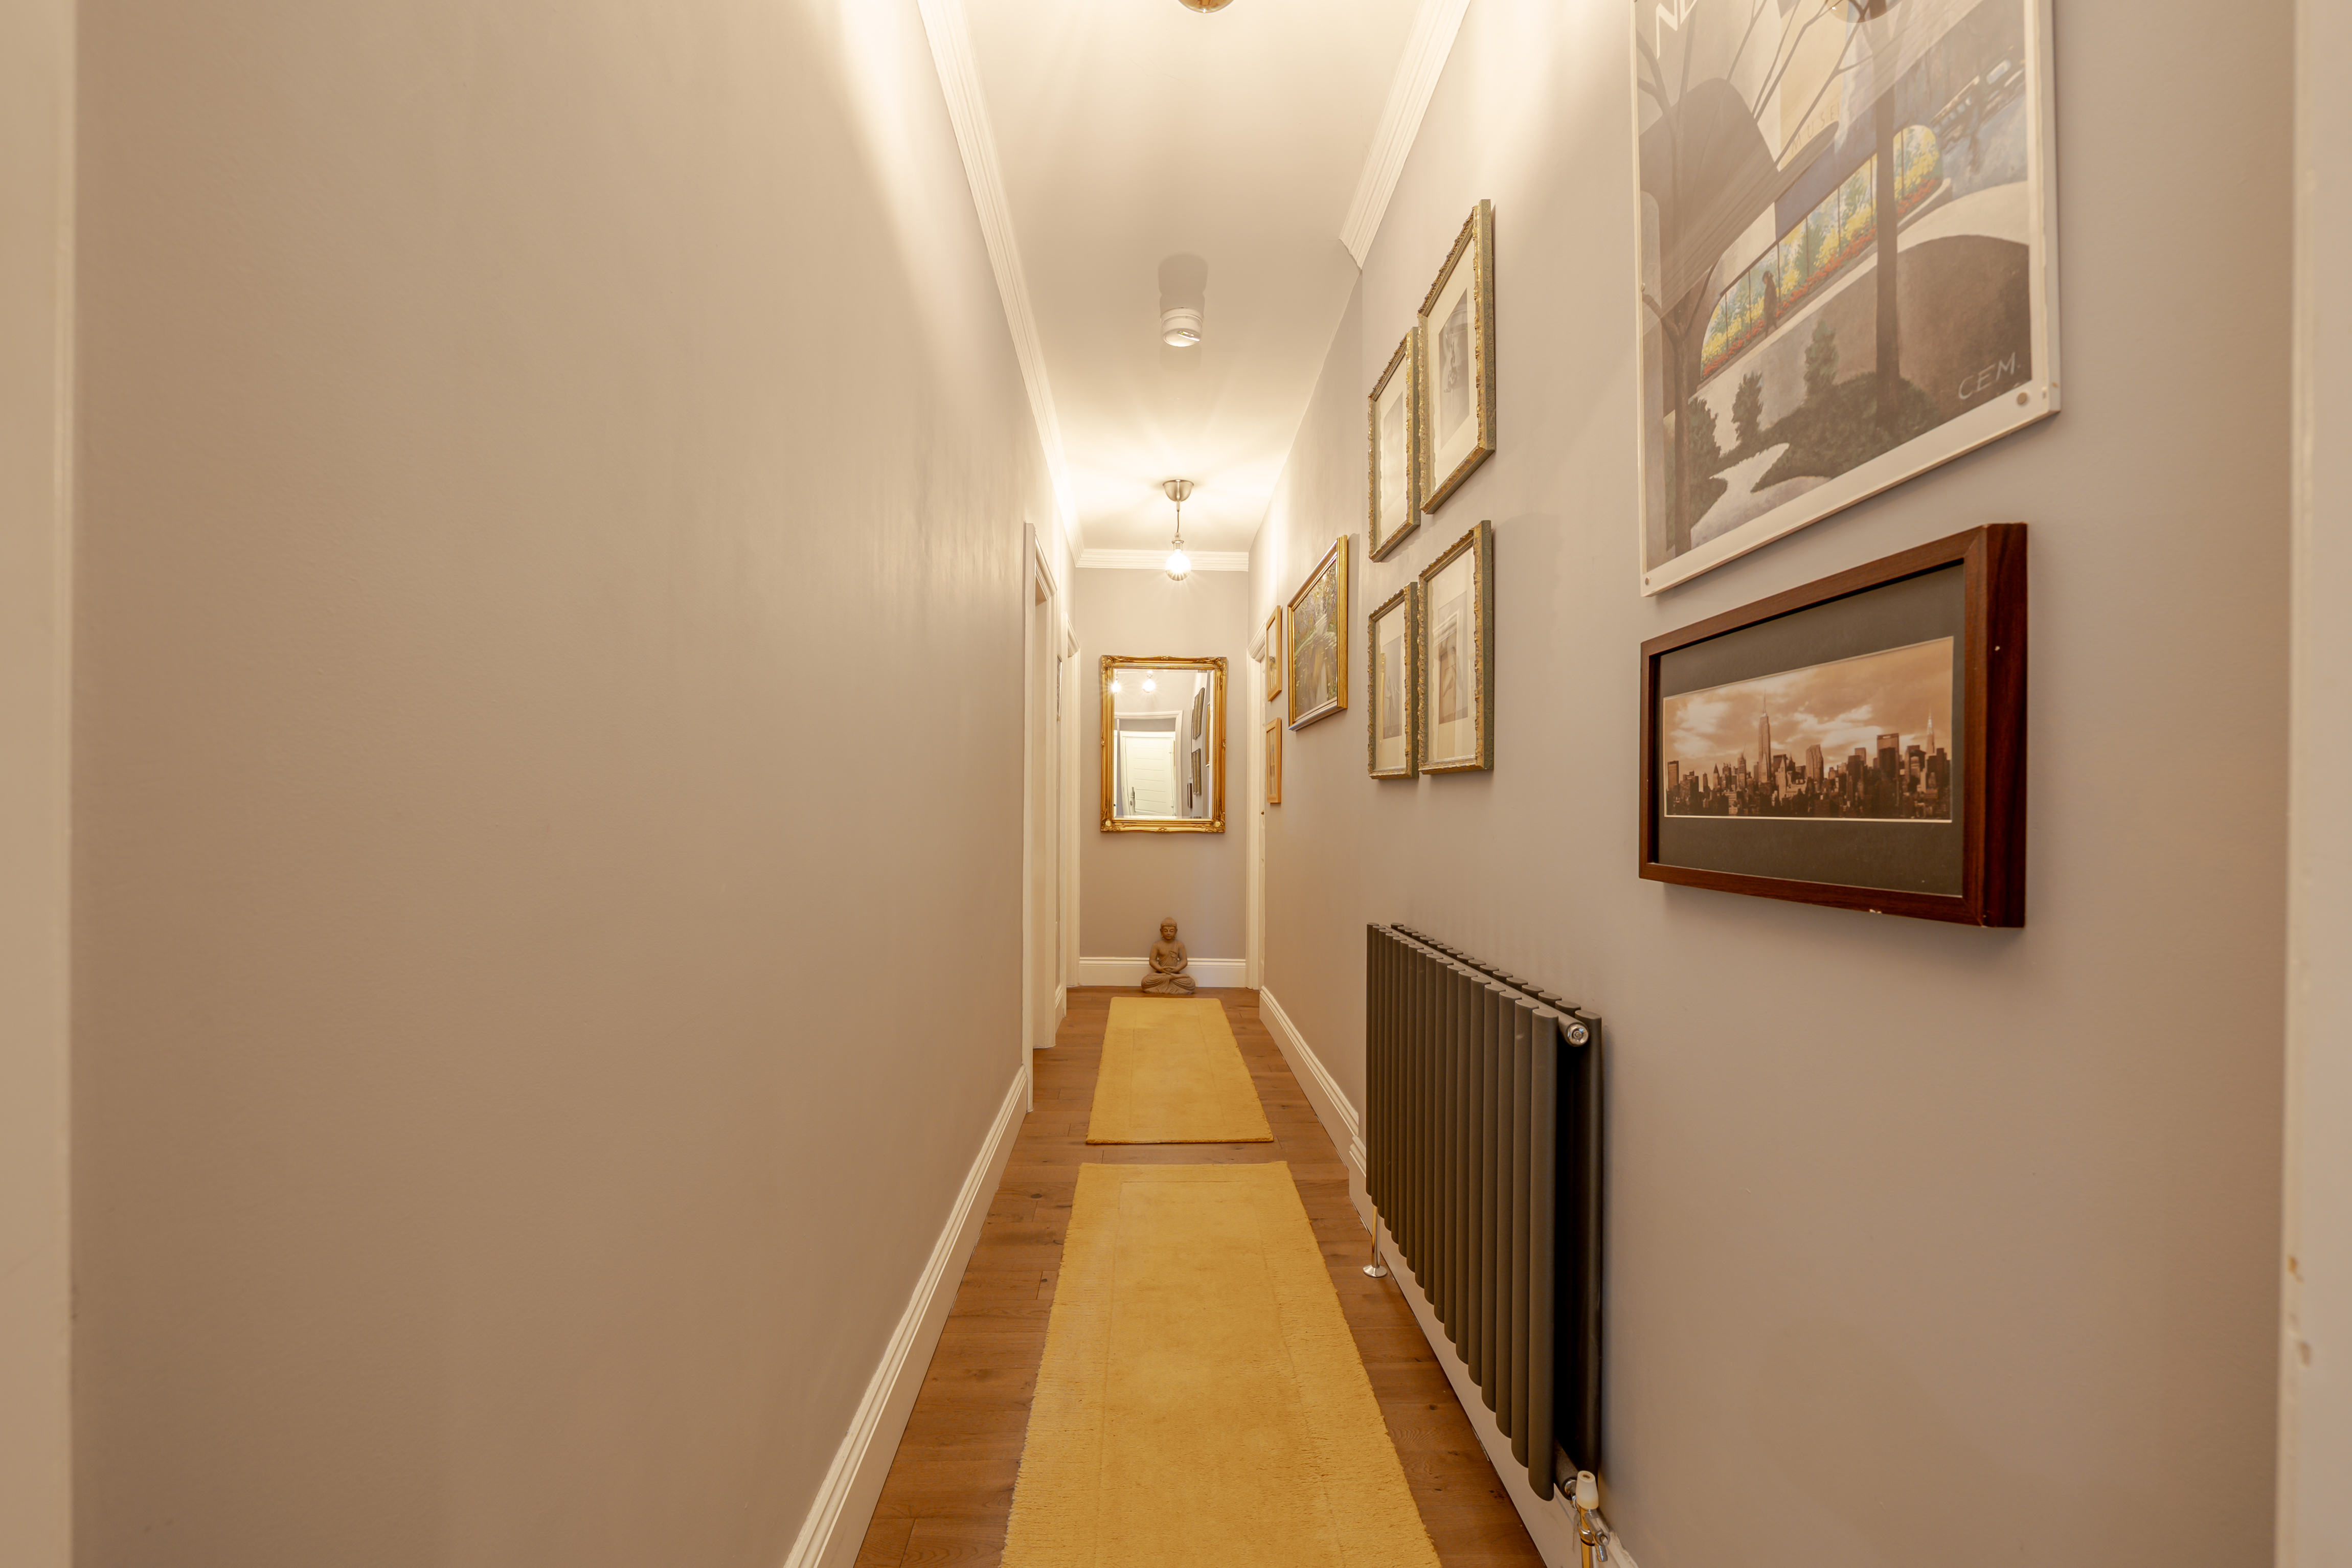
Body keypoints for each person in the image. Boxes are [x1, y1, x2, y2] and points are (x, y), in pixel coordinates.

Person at [1141, 919, 1195, 995]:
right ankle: (1170, 979)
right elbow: (1152, 961)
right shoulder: (1157, 945)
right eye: (1166, 931)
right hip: (1161, 974)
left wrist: (1176, 969)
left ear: (1176, 932)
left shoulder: (1180, 945)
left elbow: (1184, 961)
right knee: (1146, 981)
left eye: (1171, 931)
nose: (1169, 933)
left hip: (1175, 974)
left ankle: (1170, 979)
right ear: (1161, 932)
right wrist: (1161, 969)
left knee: (1190, 983)